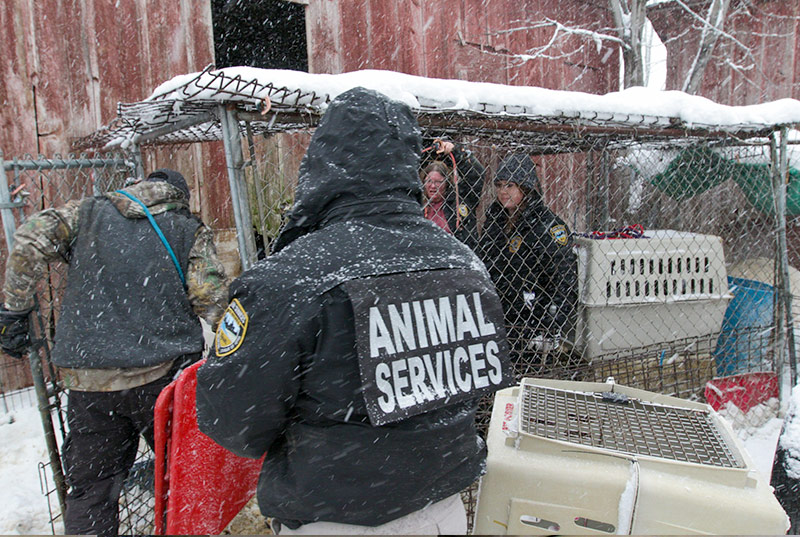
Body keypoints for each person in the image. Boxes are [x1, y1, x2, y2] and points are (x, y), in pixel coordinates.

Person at [196, 87, 513, 535]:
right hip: (442, 508)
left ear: (322, 163)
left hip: (337, 514)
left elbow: (231, 420)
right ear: (407, 164)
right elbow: (465, 387)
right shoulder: (464, 262)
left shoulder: (291, 277)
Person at [0, 169, 228, 535]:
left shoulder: (89, 212)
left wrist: (14, 310)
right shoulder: (186, 227)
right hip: (163, 381)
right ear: (178, 197)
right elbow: (210, 297)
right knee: (184, 480)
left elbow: (30, 238)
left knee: (92, 490)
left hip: (90, 383)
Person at [477, 153, 578, 376]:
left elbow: (564, 280)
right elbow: (485, 258)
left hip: (532, 318)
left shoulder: (547, 225)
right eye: (500, 185)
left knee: (525, 378)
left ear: (525, 186)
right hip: (500, 311)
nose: (503, 191)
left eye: (510, 185)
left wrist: (552, 325)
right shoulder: (496, 218)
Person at [420, 138, 485, 249]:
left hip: (457, 258)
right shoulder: (418, 204)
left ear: (447, 183)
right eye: (429, 181)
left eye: (438, 182)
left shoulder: (458, 198)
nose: (432, 186)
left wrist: (456, 152)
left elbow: (476, 176)